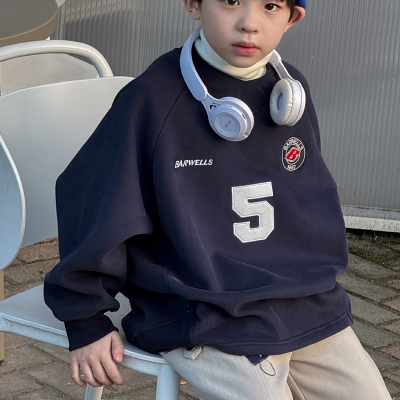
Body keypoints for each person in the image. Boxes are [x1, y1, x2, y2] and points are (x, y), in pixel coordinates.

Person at [44, 0, 392, 398]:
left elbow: (307, 203)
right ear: (193, 4)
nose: (249, 23)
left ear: (292, 18)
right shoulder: (152, 98)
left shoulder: (288, 96)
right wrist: (85, 318)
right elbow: (96, 205)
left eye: (270, 5)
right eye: (230, 1)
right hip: (200, 309)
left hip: (302, 301)